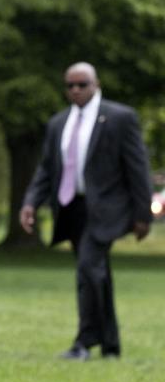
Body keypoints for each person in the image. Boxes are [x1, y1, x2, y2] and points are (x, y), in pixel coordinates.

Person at [20, 62, 153, 361]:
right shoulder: (58, 123)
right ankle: (111, 346)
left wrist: (143, 215)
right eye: (70, 85)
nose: (76, 90)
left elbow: (138, 168)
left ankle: (84, 342)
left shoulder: (120, 118)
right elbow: (47, 169)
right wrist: (30, 202)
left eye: (82, 84)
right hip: (71, 208)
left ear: (96, 84)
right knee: (97, 274)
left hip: (108, 208)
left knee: (88, 269)